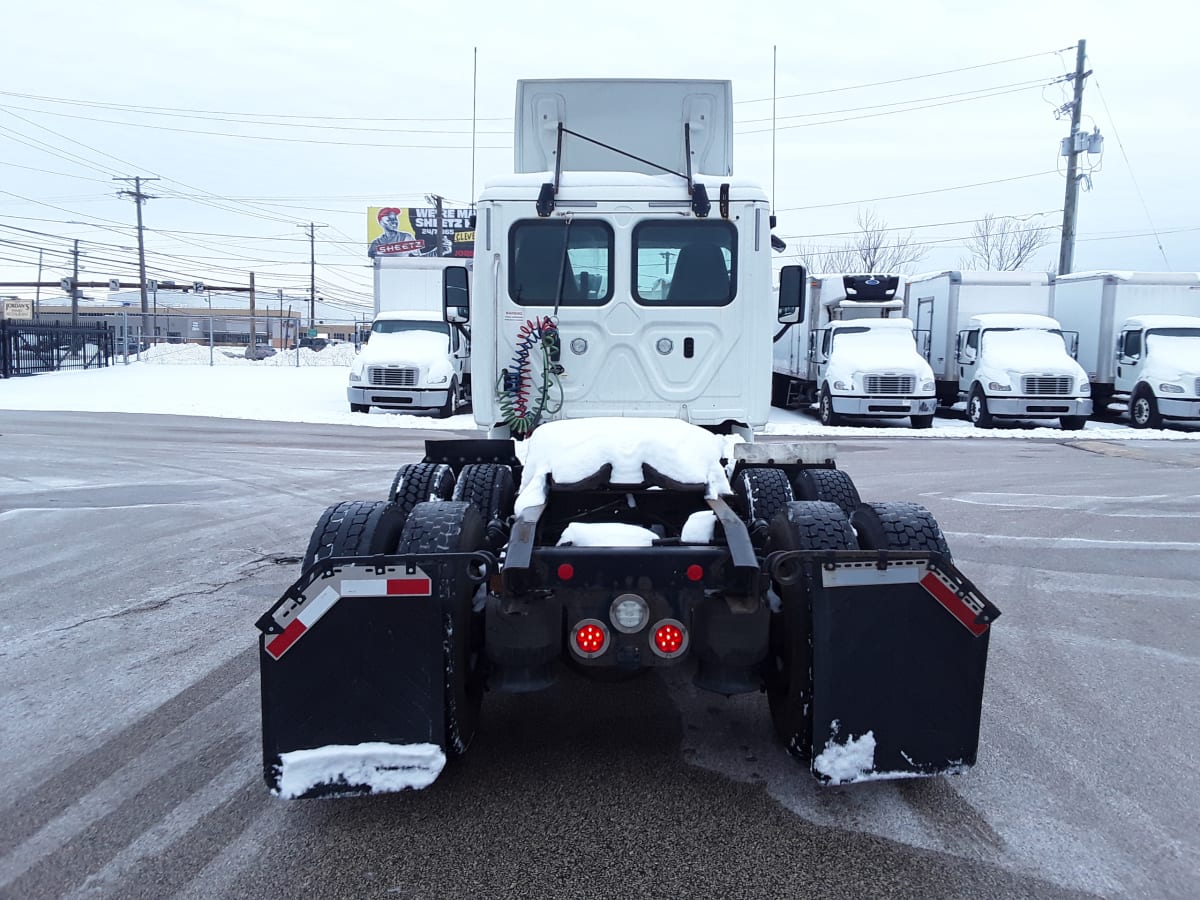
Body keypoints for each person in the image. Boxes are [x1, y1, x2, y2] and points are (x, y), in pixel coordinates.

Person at [368, 208, 452, 258]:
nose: (394, 222)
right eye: (389, 219)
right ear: (381, 222)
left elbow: (418, 260)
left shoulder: (406, 237)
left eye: (395, 219)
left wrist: (438, 251)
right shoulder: (376, 243)